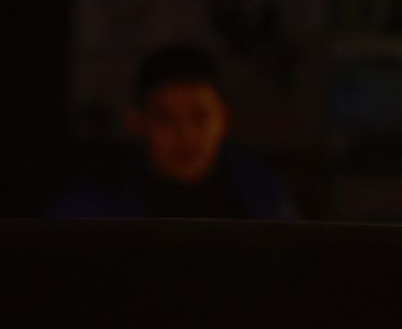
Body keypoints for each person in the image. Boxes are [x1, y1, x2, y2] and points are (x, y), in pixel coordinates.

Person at [51, 44, 296, 221]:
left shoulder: (263, 195)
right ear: (137, 122)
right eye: (165, 119)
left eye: (200, 117)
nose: (185, 135)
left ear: (223, 118)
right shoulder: (93, 206)